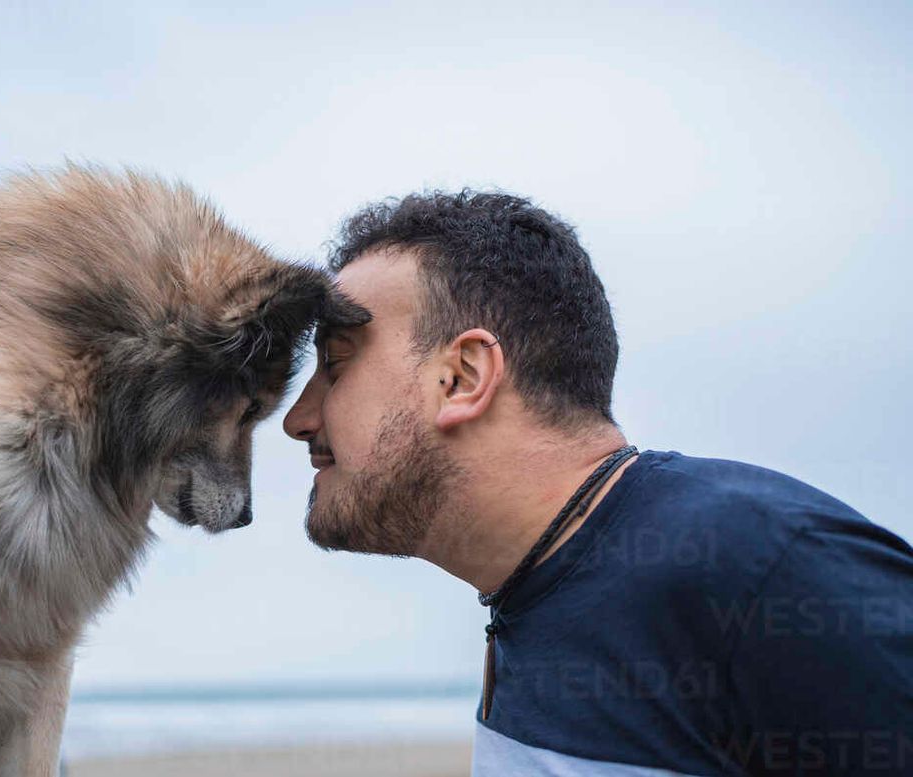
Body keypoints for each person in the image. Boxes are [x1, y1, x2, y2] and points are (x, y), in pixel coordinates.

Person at [281, 190, 913, 776]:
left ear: (464, 377)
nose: (297, 419)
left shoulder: (760, 567)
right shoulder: (527, 596)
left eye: (335, 363)